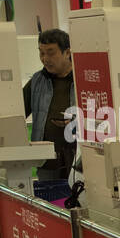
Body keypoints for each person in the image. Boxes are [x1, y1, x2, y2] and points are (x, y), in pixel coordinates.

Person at [22, 28, 76, 201]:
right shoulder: (38, 80)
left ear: (67, 52)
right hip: (46, 161)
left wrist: (76, 123)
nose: (45, 59)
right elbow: (17, 111)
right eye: (41, 53)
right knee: (50, 208)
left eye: (51, 53)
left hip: (77, 160)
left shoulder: (82, 78)